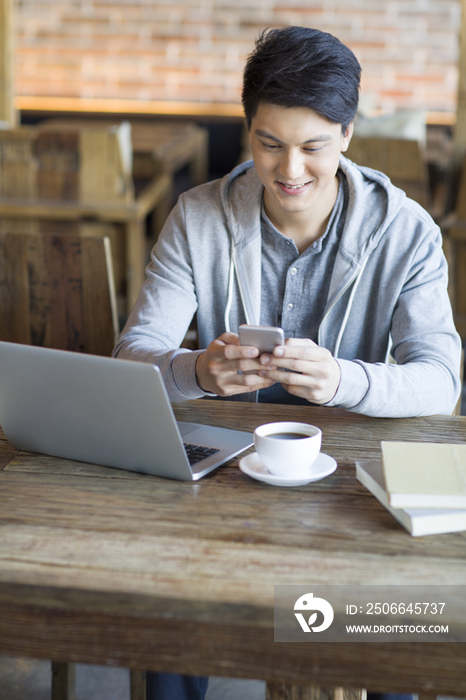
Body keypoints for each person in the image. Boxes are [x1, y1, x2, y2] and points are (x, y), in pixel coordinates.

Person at [113, 25, 461, 700]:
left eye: (313, 147)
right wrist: (198, 373)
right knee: (171, 615)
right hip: (221, 480)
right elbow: (133, 361)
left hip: (354, 487)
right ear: (248, 131)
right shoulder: (197, 218)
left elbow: (442, 382)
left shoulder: (406, 229)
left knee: (396, 624)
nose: (290, 171)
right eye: (269, 144)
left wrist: (343, 380)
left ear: (348, 134)